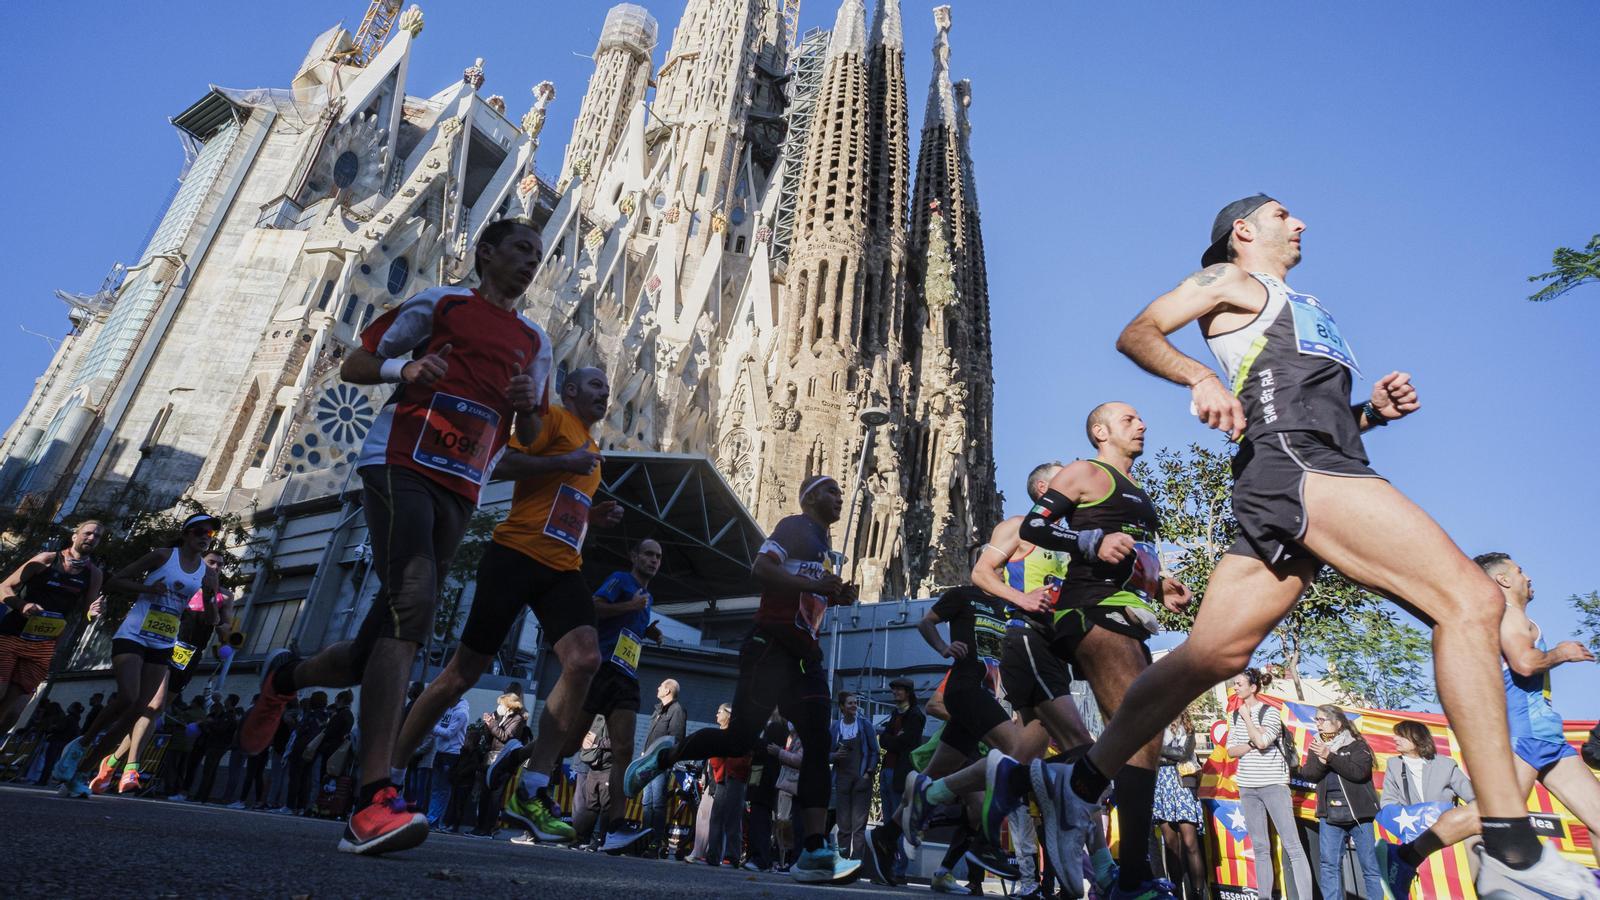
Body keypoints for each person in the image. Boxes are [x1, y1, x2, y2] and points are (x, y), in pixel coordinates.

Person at [1035, 193, 1598, 898]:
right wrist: (1199, 376)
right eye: (1283, 215)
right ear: (1244, 231)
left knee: (1212, 656)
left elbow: (1319, 411)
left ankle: (1082, 781)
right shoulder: (1230, 281)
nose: (1299, 223)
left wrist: (1372, 414)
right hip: (1295, 465)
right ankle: (1513, 853)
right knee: (1472, 601)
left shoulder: (1301, 304)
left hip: (1301, 467)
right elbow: (1140, 331)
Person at [237, 217, 552, 855]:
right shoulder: (442, 304)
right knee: (415, 599)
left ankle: (286, 677)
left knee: (372, 647)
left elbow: (537, 435)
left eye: (538, 255)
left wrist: (528, 407)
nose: (531, 262)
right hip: (398, 463)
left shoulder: (535, 340)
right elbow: (355, 362)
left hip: (462, 488)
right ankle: (373, 795)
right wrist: (404, 375)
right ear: (484, 252)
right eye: (521, 249)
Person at [392, 366, 622, 846]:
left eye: (607, 386)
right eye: (595, 384)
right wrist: (564, 463)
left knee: (584, 660)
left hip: (562, 566)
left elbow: (558, 503)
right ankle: (387, 775)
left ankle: (533, 788)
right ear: (571, 390)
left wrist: (592, 516)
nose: (606, 392)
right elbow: (499, 464)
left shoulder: (592, 449)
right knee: (461, 675)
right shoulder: (554, 421)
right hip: (514, 556)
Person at [624, 474, 863, 884]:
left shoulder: (822, 546)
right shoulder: (795, 526)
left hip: (804, 655)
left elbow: (806, 592)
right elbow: (761, 568)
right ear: (808, 499)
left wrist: (832, 594)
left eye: (840, 492)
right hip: (769, 647)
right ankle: (662, 757)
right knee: (738, 740)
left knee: (819, 739)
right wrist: (814, 584)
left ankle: (815, 850)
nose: (839, 497)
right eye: (830, 490)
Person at [1001, 402, 1193, 898]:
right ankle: (1123, 867)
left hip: (1130, 614)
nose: (1142, 424)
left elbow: (1130, 554)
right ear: (1100, 431)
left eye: (1141, 419)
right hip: (1092, 611)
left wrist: (1160, 582)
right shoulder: (1084, 472)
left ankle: (1126, 867)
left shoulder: (1138, 491)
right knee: (1139, 730)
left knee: (1143, 736)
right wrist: (1090, 541)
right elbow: (1036, 528)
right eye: (1129, 419)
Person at [1380, 553, 1600, 896]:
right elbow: (1525, 663)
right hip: (1525, 737)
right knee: (1488, 814)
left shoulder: (1518, 619)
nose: (1527, 575)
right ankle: (1405, 855)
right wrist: (1561, 653)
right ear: (1503, 580)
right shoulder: (1511, 617)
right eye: (1519, 570)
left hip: (1547, 737)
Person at [63, 513, 219, 798]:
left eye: (208, 535)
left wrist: (209, 597)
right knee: (128, 698)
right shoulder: (162, 556)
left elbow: (212, 619)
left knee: (138, 710)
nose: (203, 538)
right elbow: (114, 582)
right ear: (185, 534)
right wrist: (148, 588)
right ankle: (82, 743)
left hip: (163, 643)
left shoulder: (208, 574)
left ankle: (82, 771)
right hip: (133, 634)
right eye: (198, 531)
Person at [583, 538, 665, 850]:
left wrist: (648, 631)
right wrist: (629, 606)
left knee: (623, 750)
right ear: (633, 556)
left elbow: (629, 626)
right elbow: (595, 606)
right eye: (648, 554)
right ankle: (519, 760)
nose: (653, 560)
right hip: (601, 670)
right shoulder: (621, 580)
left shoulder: (648, 596)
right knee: (565, 743)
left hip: (626, 675)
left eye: (658, 556)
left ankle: (616, 826)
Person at [0, 520, 105, 735]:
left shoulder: (94, 574)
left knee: (12, 712)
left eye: (97, 537)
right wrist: (23, 605)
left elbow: (86, 615)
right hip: (12, 634)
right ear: (75, 536)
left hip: (43, 646)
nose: (92, 539)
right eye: (88, 533)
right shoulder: (46, 560)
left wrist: (93, 613)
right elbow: (3, 587)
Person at [1225, 668, 1312, 900]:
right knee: (1261, 848)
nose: (1235, 687)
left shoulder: (1269, 712)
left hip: (1273, 783)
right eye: (1234, 684)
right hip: (1247, 786)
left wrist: (1248, 721)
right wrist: (1251, 741)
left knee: (1292, 845)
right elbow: (1231, 750)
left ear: (1253, 687)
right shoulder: (1234, 715)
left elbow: (1263, 741)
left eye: (1239, 684)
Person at [1302, 705, 1383, 900]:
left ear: (1337, 723)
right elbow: (1309, 775)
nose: (1318, 724)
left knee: (1370, 866)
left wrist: (1330, 756)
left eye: (1322, 720)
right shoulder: (1316, 745)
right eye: (1316, 720)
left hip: (1359, 815)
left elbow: (1358, 773)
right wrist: (1322, 760)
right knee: (1329, 865)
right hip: (1329, 815)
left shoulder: (1356, 745)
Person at [1153, 714, 1206, 900]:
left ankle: (1198, 894)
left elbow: (1184, 753)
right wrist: (1165, 753)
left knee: (1190, 843)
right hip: (1161, 784)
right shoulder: (1156, 723)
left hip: (1182, 783)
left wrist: (1159, 749)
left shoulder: (1187, 724)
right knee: (1170, 845)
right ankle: (1175, 893)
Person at [1380, 719, 1475, 810]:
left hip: (1445, 824)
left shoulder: (1446, 765)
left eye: (1401, 735)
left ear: (1417, 737)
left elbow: (1473, 796)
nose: (1395, 738)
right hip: (1410, 825)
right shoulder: (1393, 764)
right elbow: (1388, 802)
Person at [828, 690, 878, 859]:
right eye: (850, 703)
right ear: (842, 707)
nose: (854, 705)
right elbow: (826, 754)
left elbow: (874, 752)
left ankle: (857, 864)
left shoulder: (864, 725)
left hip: (861, 780)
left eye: (855, 702)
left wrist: (867, 774)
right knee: (843, 826)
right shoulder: (835, 727)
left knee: (858, 827)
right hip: (841, 780)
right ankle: (842, 862)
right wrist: (834, 756)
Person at [640, 678, 687, 856]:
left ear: (668, 691)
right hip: (648, 764)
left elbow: (676, 739)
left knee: (658, 804)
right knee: (646, 803)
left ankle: (655, 843)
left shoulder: (677, 710)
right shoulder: (658, 710)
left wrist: (662, 759)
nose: (658, 687)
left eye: (661, 686)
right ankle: (643, 840)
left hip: (660, 764)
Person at [472, 691, 528, 837]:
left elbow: (505, 737)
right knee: (485, 794)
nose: (499, 707)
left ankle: (488, 828)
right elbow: (491, 736)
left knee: (495, 796)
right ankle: (479, 826)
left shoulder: (518, 719)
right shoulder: (500, 717)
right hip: (490, 758)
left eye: (502, 704)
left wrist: (493, 725)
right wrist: (488, 724)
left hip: (503, 760)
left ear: (509, 705)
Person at [744, 708, 791, 871]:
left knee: (760, 818)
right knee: (758, 817)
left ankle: (759, 858)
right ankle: (754, 855)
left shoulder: (775, 727)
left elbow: (767, 748)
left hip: (765, 777)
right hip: (764, 776)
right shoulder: (777, 726)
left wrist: (753, 741)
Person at [706, 706, 752, 866]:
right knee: (719, 817)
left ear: (728, 715)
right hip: (724, 777)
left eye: (720, 711)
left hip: (734, 777)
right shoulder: (722, 734)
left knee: (730, 817)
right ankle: (715, 854)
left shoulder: (737, 735)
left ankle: (729, 855)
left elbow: (742, 757)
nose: (716, 714)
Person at [570, 714, 614, 848]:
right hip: (593, 768)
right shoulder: (597, 717)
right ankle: (583, 839)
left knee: (606, 807)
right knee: (591, 805)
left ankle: (601, 840)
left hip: (608, 768)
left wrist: (597, 742)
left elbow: (619, 741)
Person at [428, 696, 470, 829]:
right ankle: (432, 818)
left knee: (443, 789)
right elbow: (442, 728)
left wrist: (432, 728)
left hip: (451, 754)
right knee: (436, 788)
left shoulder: (461, 713)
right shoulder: (448, 709)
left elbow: (449, 733)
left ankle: (436, 820)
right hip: (441, 752)